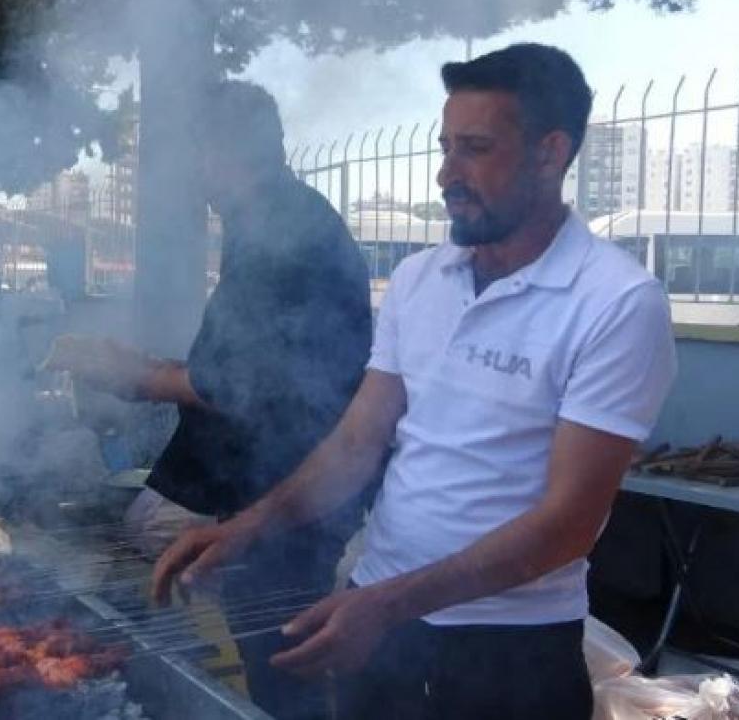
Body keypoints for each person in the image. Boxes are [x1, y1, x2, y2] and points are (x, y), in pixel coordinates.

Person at [151, 44, 678, 720]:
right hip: (380, 625)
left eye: (475, 149)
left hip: (507, 653)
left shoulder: (617, 302)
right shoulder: (418, 280)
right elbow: (354, 447)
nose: (444, 174)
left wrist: (386, 603)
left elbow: (567, 524)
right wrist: (247, 529)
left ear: (550, 154)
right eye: (444, 145)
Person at [45, 81, 373, 719]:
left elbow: (233, 383)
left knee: (283, 662)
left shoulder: (280, 224)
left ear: (221, 149)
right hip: (282, 479)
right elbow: (231, 362)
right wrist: (146, 365)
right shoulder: (271, 216)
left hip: (297, 483)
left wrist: (129, 377)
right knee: (275, 652)